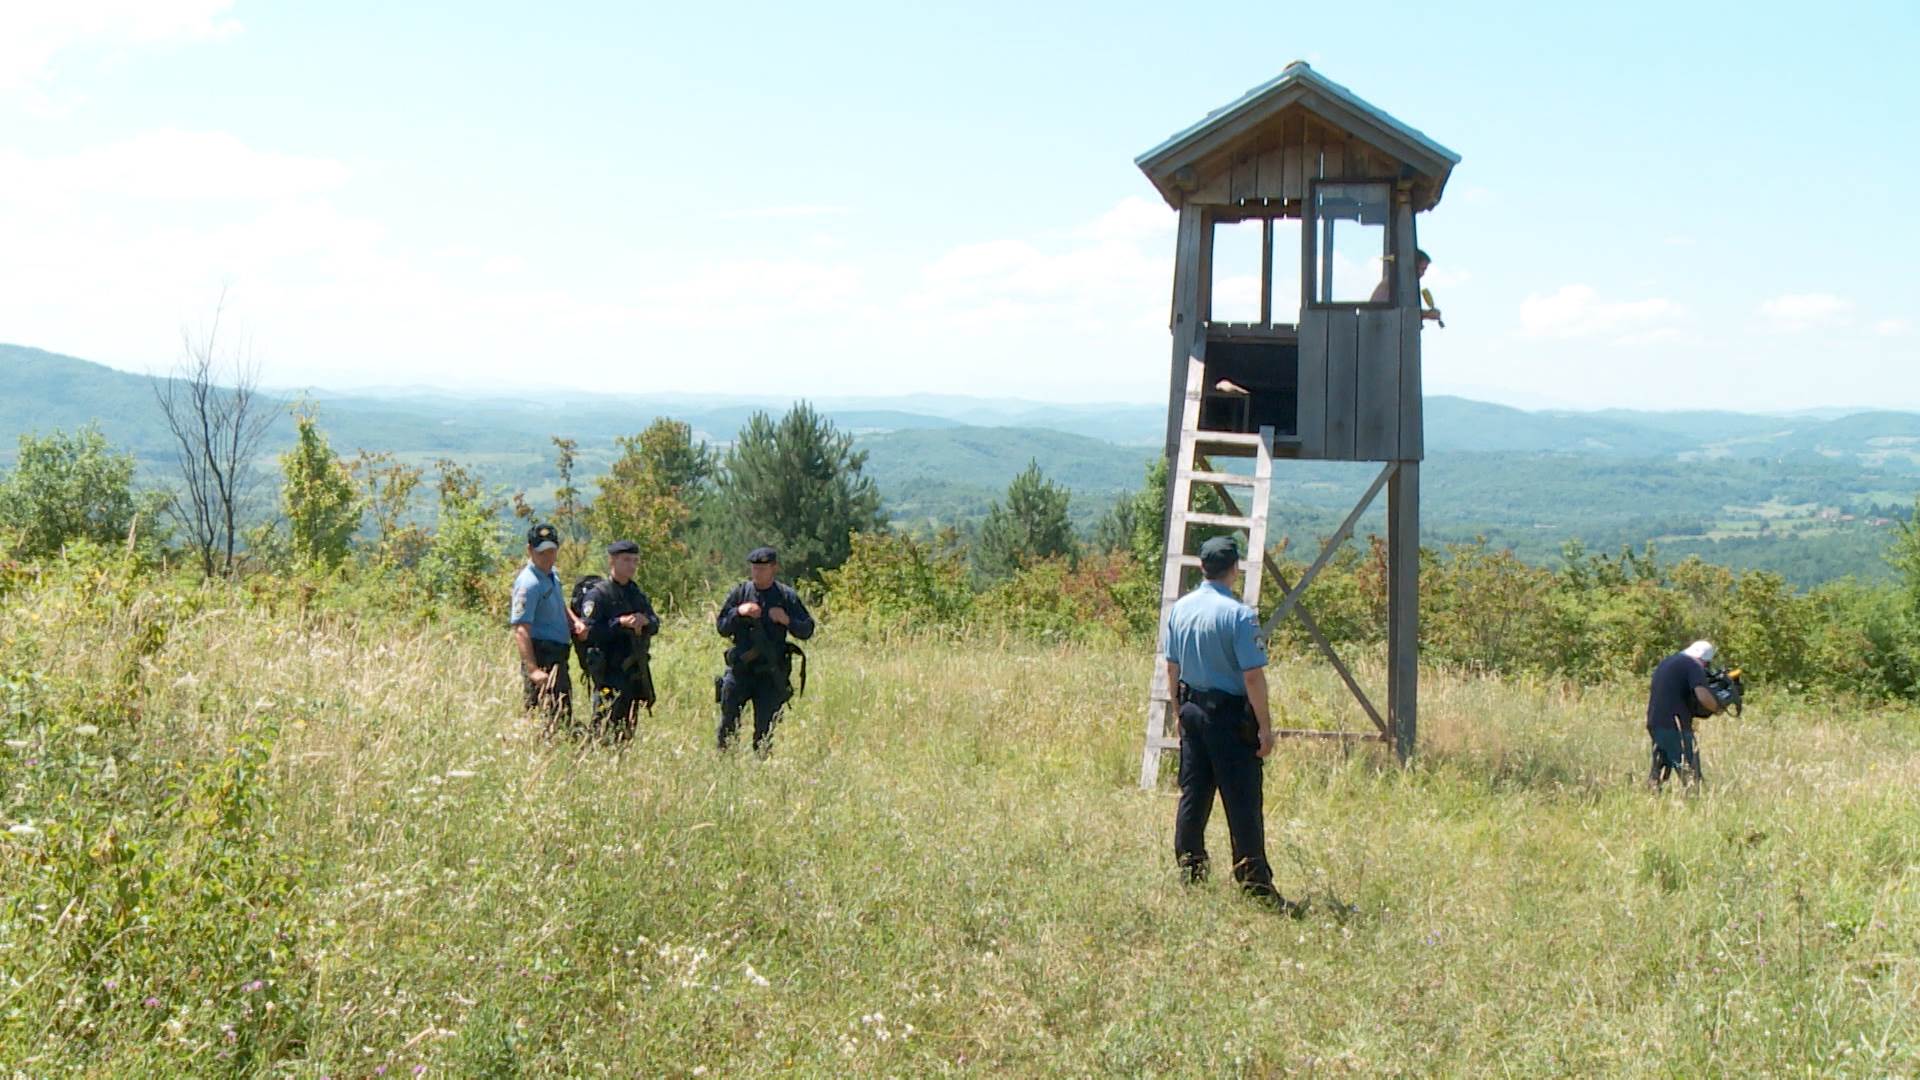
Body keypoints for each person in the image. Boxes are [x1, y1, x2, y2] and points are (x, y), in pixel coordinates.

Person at [1162, 535, 1293, 911]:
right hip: (1229, 716)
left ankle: (1191, 868)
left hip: (1192, 709)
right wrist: (1266, 728)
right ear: (1234, 569)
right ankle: (1254, 883)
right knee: (1242, 800)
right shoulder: (1239, 615)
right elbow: (1252, 676)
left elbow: (1172, 666)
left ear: (1202, 567)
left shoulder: (1181, 608)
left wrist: (1177, 711)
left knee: (1194, 794)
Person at [715, 545, 814, 754]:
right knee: (728, 724)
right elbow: (722, 627)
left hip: (770, 673)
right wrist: (738, 612)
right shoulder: (741, 593)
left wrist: (786, 619)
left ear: (774, 568)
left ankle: (761, 767)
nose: (757, 572)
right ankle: (725, 763)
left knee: (765, 732)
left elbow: (807, 629)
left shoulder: (785, 596)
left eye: (763, 568)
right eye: (754, 568)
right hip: (741, 670)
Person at [579, 539, 660, 743]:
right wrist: (620, 623)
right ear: (612, 561)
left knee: (628, 730)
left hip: (633, 671)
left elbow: (655, 622)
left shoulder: (636, 594)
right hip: (608, 672)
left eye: (635, 561)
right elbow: (589, 632)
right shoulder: (599, 595)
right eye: (626, 560)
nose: (631, 565)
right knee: (604, 727)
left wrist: (645, 621)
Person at [509, 522, 587, 732]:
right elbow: (521, 629)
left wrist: (574, 622)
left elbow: (559, 603)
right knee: (543, 716)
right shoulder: (528, 584)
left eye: (552, 551)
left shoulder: (552, 575)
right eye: (542, 552)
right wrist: (532, 670)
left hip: (558, 654)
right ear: (530, 550)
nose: (548, 557)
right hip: (541, 653)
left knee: (562, 710)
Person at [1647, 639, 1722, 790]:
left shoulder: (1669, 662)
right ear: (1704, 661)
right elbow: (1702, 695)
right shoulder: (1693, 666)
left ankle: (1652, 802)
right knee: (1692, 775)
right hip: (1675, 727)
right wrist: (1716, 707)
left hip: (1655, 723)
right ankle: (1695, 804)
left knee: (1659, 772)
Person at [1370, 248, 1442, 324]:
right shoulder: (1397, 280)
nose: (1422, 274)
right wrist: (1426, 314)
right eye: (1422, 269)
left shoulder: (1402, 281)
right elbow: (1399, 312)